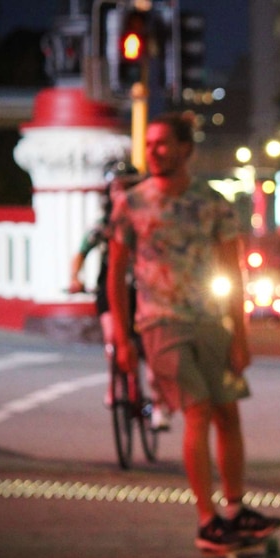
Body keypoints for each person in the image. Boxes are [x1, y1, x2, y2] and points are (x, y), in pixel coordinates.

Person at [106, 112, 280, 552]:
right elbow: (115, 274)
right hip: (160, 323)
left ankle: (236, 509)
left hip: (210, 321)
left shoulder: (213, 201)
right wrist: (123, 341)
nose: (155, 152)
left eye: (164, 143)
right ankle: (208, 520)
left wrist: (240, 336)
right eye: (150, 145)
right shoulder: (132, 202)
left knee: (228, 413)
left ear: (187, 149)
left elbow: (233, 271)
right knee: (199, 409)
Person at [68, 161, 171, 431]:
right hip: (110, 289)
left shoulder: (150, 219)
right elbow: (81, 252)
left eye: (128, 187)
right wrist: (74, 278)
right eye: (116, 188)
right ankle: (115, 385)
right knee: (113, 337)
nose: (122, 193)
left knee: (150, 348)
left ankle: (159, 404)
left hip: (144, 289)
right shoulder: (103, 224)